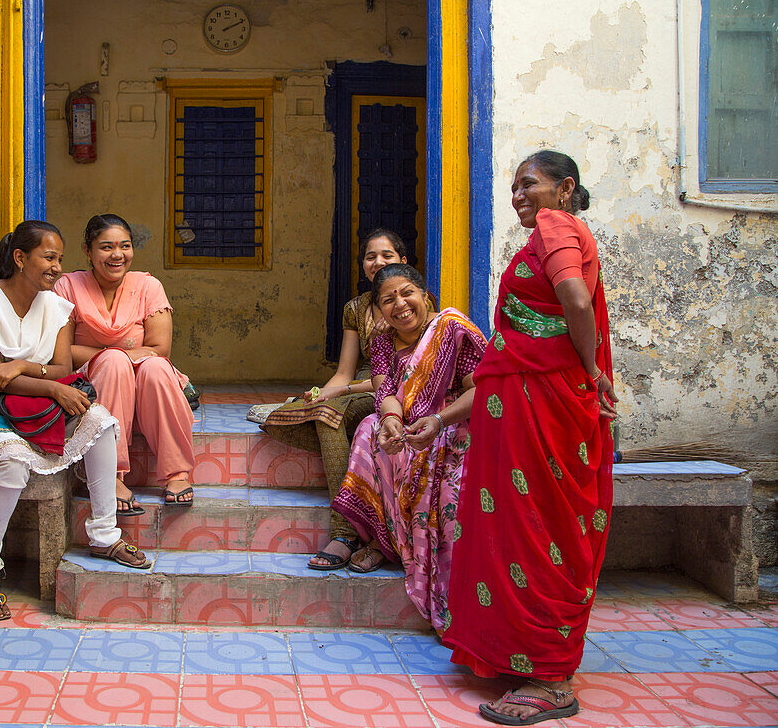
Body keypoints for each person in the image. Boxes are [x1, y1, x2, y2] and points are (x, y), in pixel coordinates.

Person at [441, 150, 617, 726]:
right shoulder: (558, 229)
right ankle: (525, 655)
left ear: (565, 188)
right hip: (526, 407)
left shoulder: (556, 225)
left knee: (541, 529)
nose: (518, 196)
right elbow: (522, 339)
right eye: (513, 187)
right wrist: (443, 419)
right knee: (528, 527)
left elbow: (574, 301)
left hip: (544, 407)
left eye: (529, 184)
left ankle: (550, 679)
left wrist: (590, 369)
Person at [0, 221, 149, 621]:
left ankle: (104, 535)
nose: (57, 268)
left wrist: (24, 366)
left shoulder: (57, 307)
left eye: (60, 259)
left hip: (35, 401)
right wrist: (50, 385)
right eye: (48, 258)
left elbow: (63, 366)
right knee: (10, 464)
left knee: (101, 424)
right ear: (20, 258)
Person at [331, 263, 486, 631]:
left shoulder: (451, 331)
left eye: (406, 294)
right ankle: (386, 543)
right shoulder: (384, 342)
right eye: (388, 300)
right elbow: (387, 393)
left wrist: (439, 421)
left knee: (445, 483)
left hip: (453, 426)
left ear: (424, 295)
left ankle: (455, 597)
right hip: (411, 427)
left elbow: (480, 390)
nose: (399, 305)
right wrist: (391, 421)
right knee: (371, 428)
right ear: (380, 309)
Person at [260, 229, 408, 570]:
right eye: (370, 257)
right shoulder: (356, 308)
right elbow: (344, 372)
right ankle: (347, 517)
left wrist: (338, 394)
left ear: (403, 261)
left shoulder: (412, 300)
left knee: (330, 416)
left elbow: (399, 374)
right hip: (360, 384)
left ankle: (344, 532)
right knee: (290, 415)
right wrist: (315, 395)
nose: (378, 263)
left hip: (397, 390)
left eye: (387, 256)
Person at [54, 214, 196, 511]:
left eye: (125, 246)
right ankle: (111, 473)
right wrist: (112, 355)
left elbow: (160, 348)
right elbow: (61, 351)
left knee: (156, 368)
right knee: (114, 363)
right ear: (88, 250)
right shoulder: (68, 287)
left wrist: (119, 355)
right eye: (106, 247)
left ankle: (176, 472)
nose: (117, 255)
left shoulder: (147, 286)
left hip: (145, 373)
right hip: (93, 378)